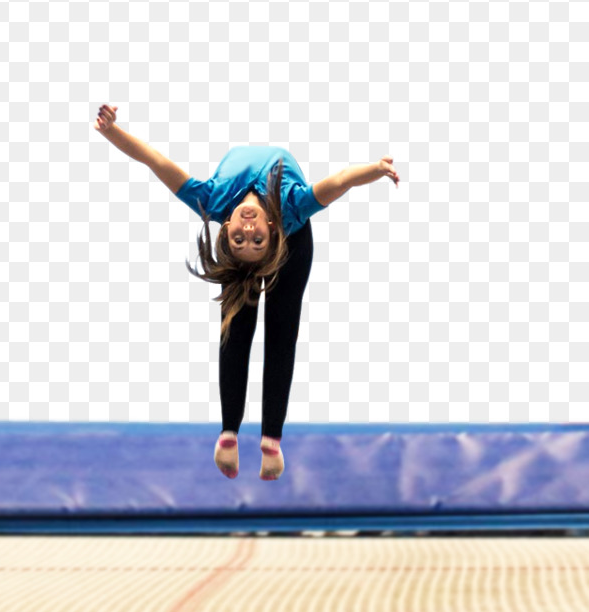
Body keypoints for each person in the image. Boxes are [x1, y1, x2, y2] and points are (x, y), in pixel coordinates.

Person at [93, 104, 400, 480]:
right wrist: (376, 169)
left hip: (283, 242)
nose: (248, 230)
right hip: (293, 232)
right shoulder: (291, 207)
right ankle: (232, 433)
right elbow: (340, 181)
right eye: (254, 238)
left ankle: (267, 440)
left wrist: (112, 133)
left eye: (241, 237)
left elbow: (155, 162)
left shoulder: (212, 202)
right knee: (239, 327)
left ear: (225, 232)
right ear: (271, 228)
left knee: (278, 329)